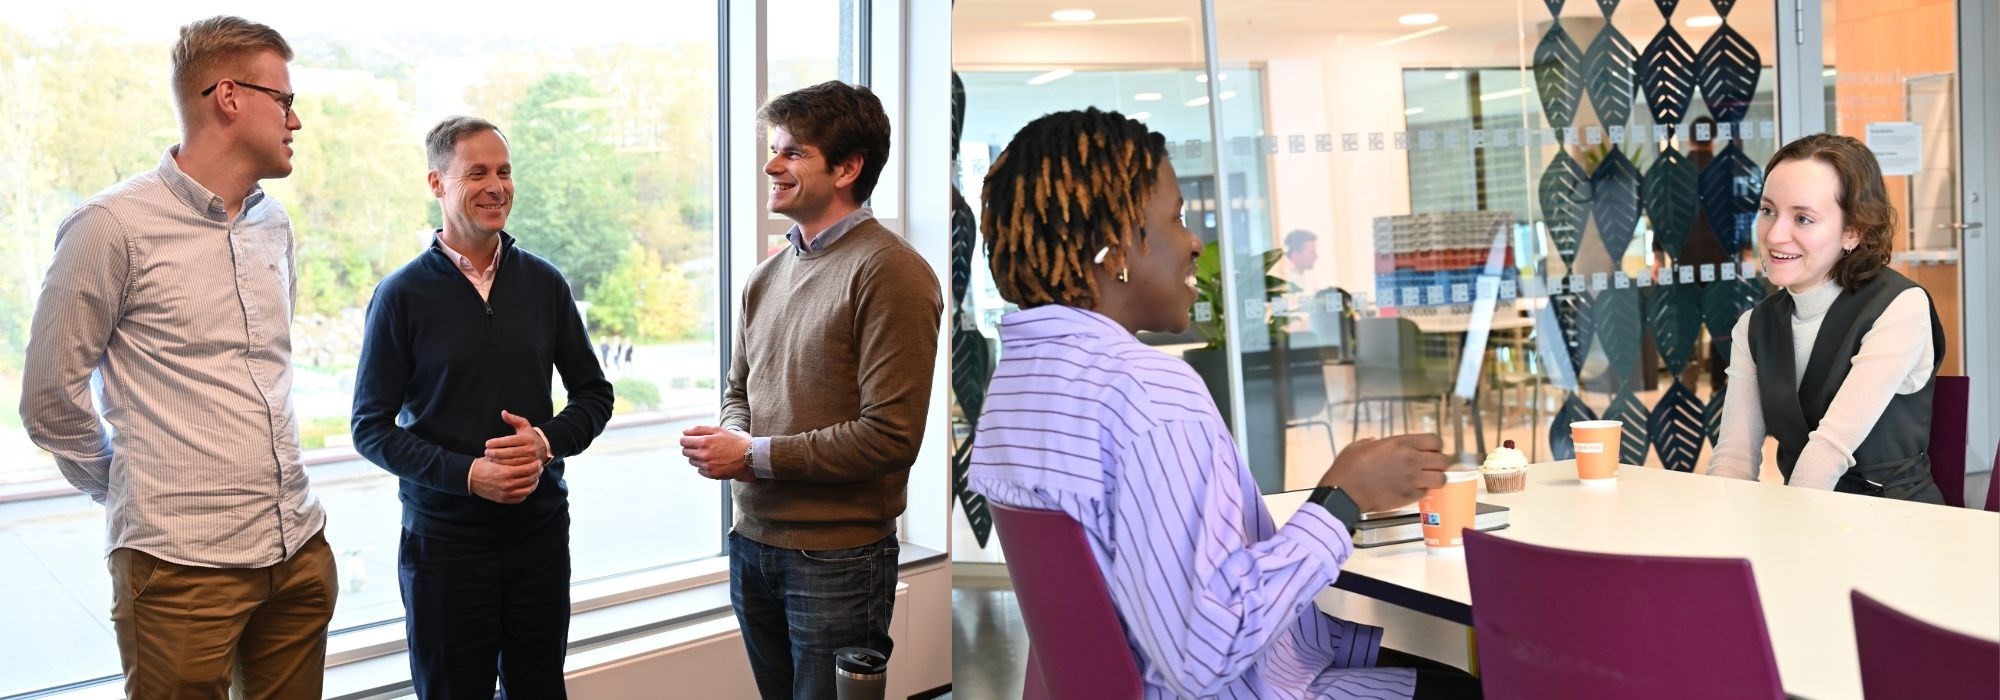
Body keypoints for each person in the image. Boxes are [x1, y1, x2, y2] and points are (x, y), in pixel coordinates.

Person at [968, 108, 1480, 699]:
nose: (1193, 242)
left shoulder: (1019, 383)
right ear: (1115, 251)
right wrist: (1343, 499)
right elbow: (1206, 648)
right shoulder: (1145, 391)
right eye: (1177, 219)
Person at [17, 16, 338, 698]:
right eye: (283, 100)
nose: (296, 120)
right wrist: (130, 484)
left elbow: (265, 377)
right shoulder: (111, 227)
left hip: (298, 553)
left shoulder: (273, 226)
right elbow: (49, 399)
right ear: (228, 96)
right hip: (181, 568)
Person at [677, 81, 943, 699]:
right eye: (774, 150)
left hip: (839, 561)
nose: (772, 164)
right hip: (753, 545)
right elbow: (738, 388)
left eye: (793, 152)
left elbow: (890, 438)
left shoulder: (891, 271)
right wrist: (734, 432)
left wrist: (749, 456)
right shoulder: (765, 276)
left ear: (848, 168)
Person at [350, 116, 614, 697]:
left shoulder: (544, 283)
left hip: (539, 537)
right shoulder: (400, 296)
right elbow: (370, 429)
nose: (497, 186)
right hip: (444, 548)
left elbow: (595, 395)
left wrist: (545, 442)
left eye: (504, 171)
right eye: (477, 173)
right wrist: (470, 474)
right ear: (436, 183)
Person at [1707, 133, 1946, 503]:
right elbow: (1734, 459)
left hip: (1894, 526)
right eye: (1768, 210)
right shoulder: (1755, 326)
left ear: (1853, 231)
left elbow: (1828, 452)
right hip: (1807, 517)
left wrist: (1791, 543)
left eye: (1803, 218)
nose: (1775, 234)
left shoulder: (1900, 306)